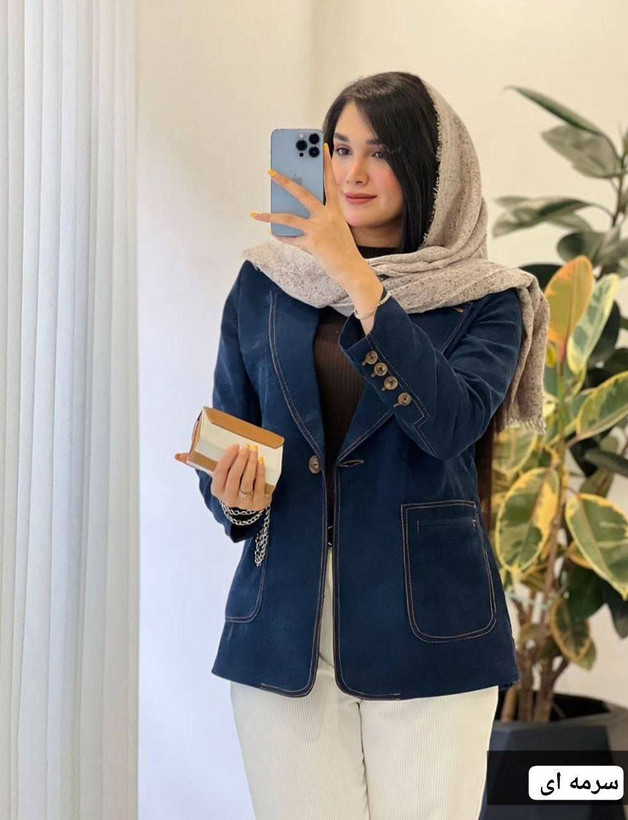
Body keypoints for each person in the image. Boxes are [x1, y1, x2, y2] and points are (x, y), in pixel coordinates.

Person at [185, 71, 549, 819]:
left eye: (379, 152)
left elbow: (450, 424)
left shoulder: (488, 297)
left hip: (429, 631)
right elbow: (232, 431)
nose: (351, 172)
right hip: (282, 631)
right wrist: (235, 496)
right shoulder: (267, 283)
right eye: (340, 147)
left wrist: (355, 275)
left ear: (430, 170)